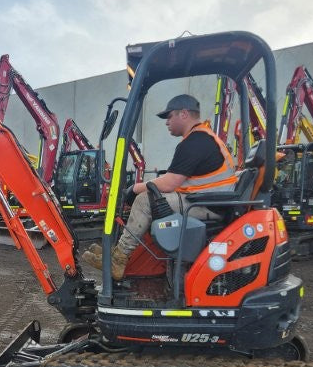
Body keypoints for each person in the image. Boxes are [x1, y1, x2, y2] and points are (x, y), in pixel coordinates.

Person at [82, 94, 237, 280]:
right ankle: (120, 251)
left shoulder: (195, 142)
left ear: (184, 114)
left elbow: (169, 183)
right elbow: (175, 178)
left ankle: (119, 259)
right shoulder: (201, 138)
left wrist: (133, 188)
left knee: (143, 200)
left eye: (169, 116)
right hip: (208, 201)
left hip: (206, 205)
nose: (166, 122)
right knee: (149, 197)